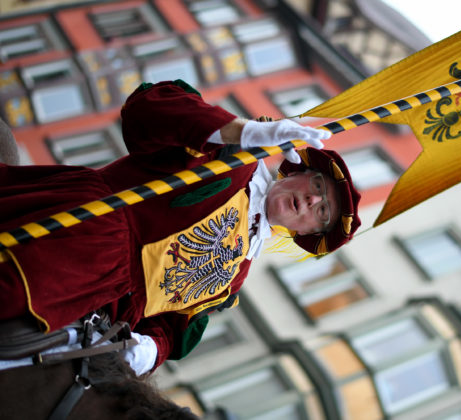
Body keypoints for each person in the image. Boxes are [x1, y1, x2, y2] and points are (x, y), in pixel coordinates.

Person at [0, 80, 361, 374]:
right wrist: (240, 132)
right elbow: (146, 110)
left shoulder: (235, 279)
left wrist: (151, 349)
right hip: (82, 236)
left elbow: (173, 329)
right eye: (317, 185)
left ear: (307, 233)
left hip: (98, 317)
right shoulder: (232, 160)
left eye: (323, 211)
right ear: (297, 172)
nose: (312, 200)